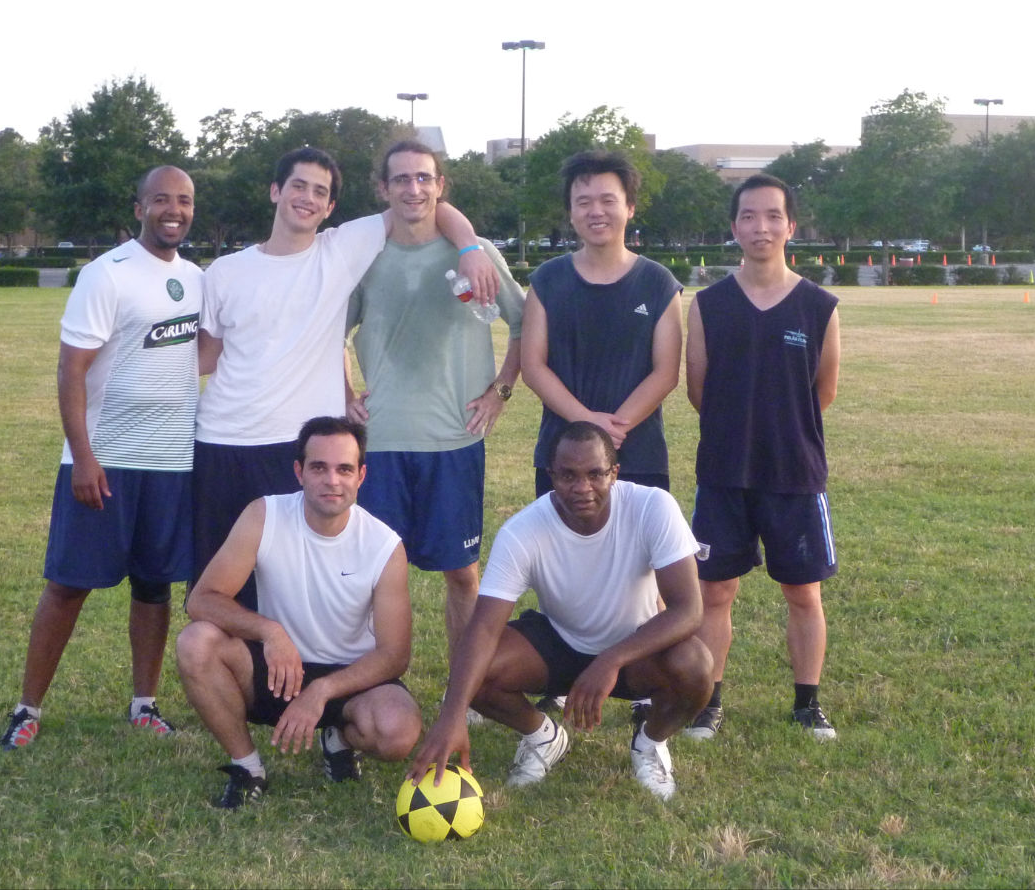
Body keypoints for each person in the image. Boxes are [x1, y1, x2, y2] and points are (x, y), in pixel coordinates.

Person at [194, 147, 498, 613]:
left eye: (320, 192)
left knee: (298, 587)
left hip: (300, 449)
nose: (307, 198)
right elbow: (205, 357)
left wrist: (471, 247)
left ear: (331, 207)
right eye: (298, 185)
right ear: (276, 191)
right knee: (219, 590)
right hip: (223, 443)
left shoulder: (342, 248)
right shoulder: (225, 272)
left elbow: (422, 201)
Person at [0, 166, 201, 750]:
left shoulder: (196, 279)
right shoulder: (105, 273)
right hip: (105, 462)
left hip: (172, 463)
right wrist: (85, 458)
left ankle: (144, 704)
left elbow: (200, 355)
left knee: (155, 586)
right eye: (161, 199)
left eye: (184, 201)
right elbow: (72, 370)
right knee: (68, 584)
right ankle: (27, 708)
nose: (173, 210)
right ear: (139, 207)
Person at [406, 421, 713, 801]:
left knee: (695, 665)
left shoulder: (652, 506)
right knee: (478, 667)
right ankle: (543, 737)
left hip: (636, 650)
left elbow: (688, 610)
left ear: (614, 473)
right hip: (560, 642)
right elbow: (482, 630)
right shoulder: (524, 530)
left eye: (595, 474)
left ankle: (649, 743)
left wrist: (610, 661)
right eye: (568, 475)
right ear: (551, 475)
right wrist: (451, 716)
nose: (582, 487)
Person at [344, 139, 525, 679]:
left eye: (424, 178)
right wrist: (344, 393)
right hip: (385, 439)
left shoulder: (476, 252)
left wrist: (501, 389)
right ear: (383, 188)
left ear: (440, 185)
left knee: (463, 575)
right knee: (373, 575)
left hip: (454, 439)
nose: (413, 188)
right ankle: (375, 684)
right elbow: (331, 329)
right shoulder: (365, 256)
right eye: (401, 179)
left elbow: (523, 321)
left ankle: (464, 688)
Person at [176, 416, 421, 808]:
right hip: (276, 670)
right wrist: (270, 632)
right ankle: (248, 767)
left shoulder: (384, 546)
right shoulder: (265, 515)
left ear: (361, 476)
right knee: (196, 642)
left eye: (344, 469)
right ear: (299, 472)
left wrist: (322, 690)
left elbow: (395, 655)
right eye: (318, 467)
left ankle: (338, 739)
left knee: (397, 731)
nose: (331, 480)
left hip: (348, 677)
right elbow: (202, 599)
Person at [683, 173, 842, 742]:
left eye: (773, 216)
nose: (761, 227)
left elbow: (821, 392)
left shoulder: (819, 306)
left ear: (790, 226)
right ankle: (708, 700)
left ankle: (807, 704)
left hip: (795, 473)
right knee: (715, 591)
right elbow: (697, 388)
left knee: (803, 592)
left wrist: (782, 430)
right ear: (734, 227)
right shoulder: (707, 306)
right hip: (724, 472)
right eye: (749, 216)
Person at [521, 149, 683, 499]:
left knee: (638, 555)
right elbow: (533, 366)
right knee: (563, 554)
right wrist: (587, 424)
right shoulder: (547, 281)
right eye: (583, 202)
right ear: (571, 211)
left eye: (608, 200)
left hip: (640, 456)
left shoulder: (659, 283)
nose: (596, 211)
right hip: (563, 459)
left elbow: (666, 373)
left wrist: (612, 430)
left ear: (630, 207)